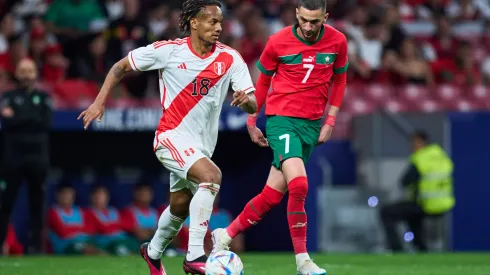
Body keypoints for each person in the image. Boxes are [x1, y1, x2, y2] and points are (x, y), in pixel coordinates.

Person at [77, 0, 257, 273]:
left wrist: (246, 101)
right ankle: (195, 256)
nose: (218, 27)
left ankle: (152, 252)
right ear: (194, 23)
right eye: (212, 21)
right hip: (170, 137)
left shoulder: (230, 58)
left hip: (201, 147)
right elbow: (120, 67)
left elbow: (253, 103)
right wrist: (99, 102)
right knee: (211, 177)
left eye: (220, 22)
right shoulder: (169, 51)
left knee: (179, 208)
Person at [211, 0, 348, 274]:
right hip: (281, 121)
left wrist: (330, 120)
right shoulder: (278, 42)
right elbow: (261, 82)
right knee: (300, 185)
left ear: (325, 17)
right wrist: (252, 121)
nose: (309, 27)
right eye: (304, 20)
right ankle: (303, 261)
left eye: (315, 21)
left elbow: (340, 80)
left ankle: (224, 235)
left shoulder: (338, 41)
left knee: (271, 195)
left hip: (311, 125)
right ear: (297, 14)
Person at [0, 58, 52, 255]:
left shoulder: (44, 96)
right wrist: (31, 116)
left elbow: (45, 122)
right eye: (23, 71)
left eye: (30, 70)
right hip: (12, 159)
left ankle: (36, 248)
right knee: (6, 203)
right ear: (17, 73)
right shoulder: (8, 96)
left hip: (38, 159)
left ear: (35, 73)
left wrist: (18, 116)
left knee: (37, 204)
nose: (27, 74)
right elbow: (7, 123)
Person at [379, 131, 454, 252]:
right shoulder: (441, 156)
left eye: (413, 142)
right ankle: (421, 249)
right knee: (412, 215)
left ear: (420, 141)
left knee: (386, 212)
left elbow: (405, 181)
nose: (411, 146)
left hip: (426, 203)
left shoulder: (421, 158)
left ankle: (396, 249)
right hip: (443, 204)